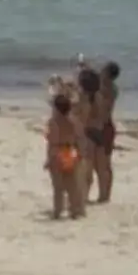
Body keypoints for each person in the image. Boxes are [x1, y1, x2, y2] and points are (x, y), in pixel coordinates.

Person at [80, 62, 122, 206]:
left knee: (93, 165)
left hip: (98, 128)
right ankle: (104, 196)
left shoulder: (103, 90)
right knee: (102, 165)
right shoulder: (109, 88)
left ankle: (90, 195)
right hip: (104, 127)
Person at [43, 85, 86, 220]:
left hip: (57, 151)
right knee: (73, 185)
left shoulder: (53, 122)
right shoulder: (74, 121)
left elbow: (51, 141)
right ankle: (75, 210)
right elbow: (80, 138)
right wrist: (80, 153)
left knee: (58, 186)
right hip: (70, 151)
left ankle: (58, 211)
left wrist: (48, 158)